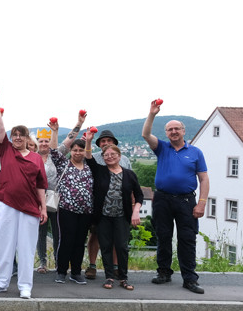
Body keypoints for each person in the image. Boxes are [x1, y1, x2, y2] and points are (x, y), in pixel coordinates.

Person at [142, 100, 209, 294]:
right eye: (170, 129)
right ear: (166, 133)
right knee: (163, 236)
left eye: (176, 129)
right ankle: (164, 272)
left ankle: (189, 278)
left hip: (186, 200)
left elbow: (204, 179)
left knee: (187, 238)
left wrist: (202, 203)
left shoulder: (195, 152)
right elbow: (145, 134)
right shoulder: (162, 148)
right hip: (162, 199)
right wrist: (152, 114)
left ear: (183, 131)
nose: (173, 132)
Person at [0, 88, 46, 299]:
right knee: (4, 244)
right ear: (11, 138)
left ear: (27, 138)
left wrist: (43, 208)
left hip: (29, 207)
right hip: (5, 203)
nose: (18, 137)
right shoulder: (6, 150)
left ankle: (25, 286)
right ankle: (1, 282)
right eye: (15, 135)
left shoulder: (36, 158)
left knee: (26, 247)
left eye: (22, 135)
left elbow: (41, 185)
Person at [83, 129, 143, 290]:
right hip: (103, 216)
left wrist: (136, 211)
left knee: (122, 247)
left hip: (122, 216)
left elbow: (139, 195)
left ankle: (123, 278)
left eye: (112, 154)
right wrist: (88, 141)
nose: (109, 157)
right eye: (106, 155)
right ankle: (109, 277)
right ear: (103, 157)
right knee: (106, 246)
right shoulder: (100, 171)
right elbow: (88, 158)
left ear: (119, 156)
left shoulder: (129, 174)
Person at [49, 112, 93, 285]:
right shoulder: (63, 164)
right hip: (67, 209)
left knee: (79, 242)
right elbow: (54, 151)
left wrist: (88, 140)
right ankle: (61, 271)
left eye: (81, 149)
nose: (77, 152)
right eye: (75, 149)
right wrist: (77, 124)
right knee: (66, 240)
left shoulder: (90, 165)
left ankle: (76, 272)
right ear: (71, 151)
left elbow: (89, 150)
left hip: (86, 211)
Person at [34, 128, 59, 274]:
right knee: (40, 233)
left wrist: (79, 123)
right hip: (37, 200)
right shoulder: (33, 156)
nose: (44, 144)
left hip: (55, 200)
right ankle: (42, 262)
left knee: (57, 233)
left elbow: (68, 142)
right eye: (41, 141)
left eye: (46, 141)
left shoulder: (55, 156)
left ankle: (57, 261)